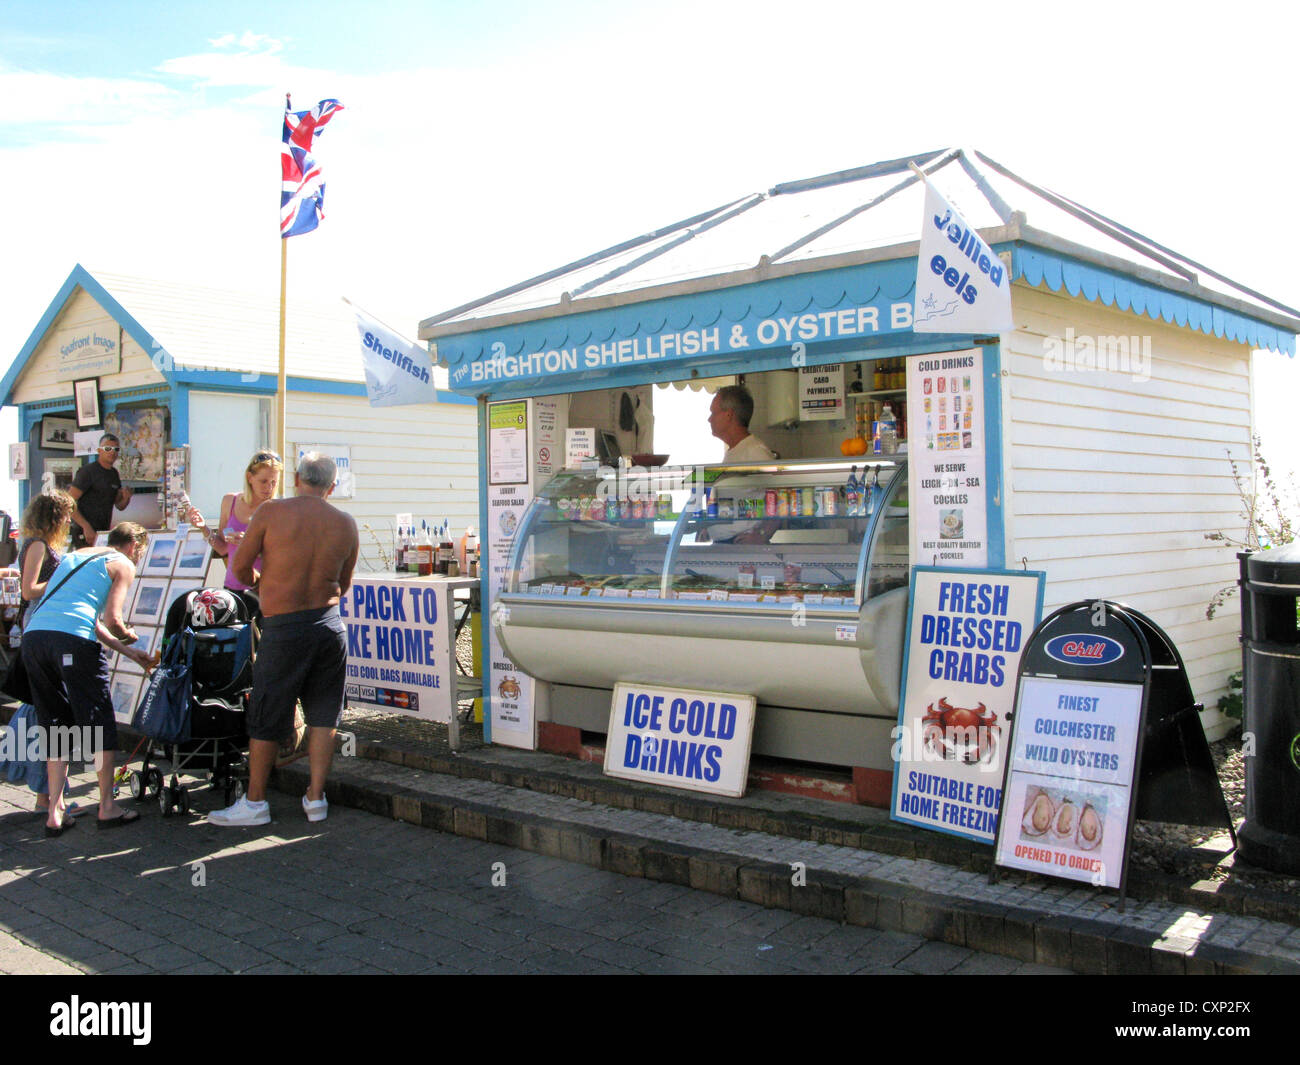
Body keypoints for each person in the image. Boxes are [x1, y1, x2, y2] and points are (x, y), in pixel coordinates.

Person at [208, 453, 358, 827]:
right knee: (324, 714)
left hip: (283, 625)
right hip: (328, 624)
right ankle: (315, 798)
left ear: (295, 478)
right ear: (332, 487)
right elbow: (345, 584)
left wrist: (266, 582)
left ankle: (256, 801)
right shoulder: (346, 523)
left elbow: (238, 569)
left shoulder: (271, 513)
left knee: (266, 713)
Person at [22, 522, 155, 834]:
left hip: (35, 640)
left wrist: (130, 654)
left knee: (55, 722)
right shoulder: (121, 563)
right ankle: (107, 806)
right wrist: (131, 636)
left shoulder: (74, 556)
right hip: (73, 644)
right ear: (133, 547)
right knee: (98, 722)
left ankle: (54, 812)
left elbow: (91, 622)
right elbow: (113, 619)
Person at [9, 491, 78, 815]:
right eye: (65, 515)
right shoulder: (37, 545)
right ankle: (49, 794)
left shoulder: (38, 544)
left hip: (40, 627)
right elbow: (29, 588)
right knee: (50, 711)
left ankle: (46, 793)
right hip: (42, 628)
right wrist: (63, 581)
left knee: (40, 708)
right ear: (54, 516)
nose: (68, 521)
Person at [185, 450, 283, 595]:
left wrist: (249, 545)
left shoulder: (277, 509)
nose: (269, 488)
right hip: (232, 588)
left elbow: (282, 557)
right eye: (263, 481)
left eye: (273, 483)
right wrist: (203, 527)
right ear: (250, 477)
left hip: (265, 590)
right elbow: (223, 548)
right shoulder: (230, 502)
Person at [69, 433, 132, 548]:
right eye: (107, 448)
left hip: (103, 533)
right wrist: (85, 526)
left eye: (116, 449)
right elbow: (68, 502)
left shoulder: (114, 474)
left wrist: (126, 498)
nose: (112, 452)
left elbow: (119, 505)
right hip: (84, 533)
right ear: (99, 450)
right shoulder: (88, 472)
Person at [708, 385, 776, 462]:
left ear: (728, 415)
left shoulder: (756, 453)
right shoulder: (736, 451)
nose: (709, 419)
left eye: (714, 413)